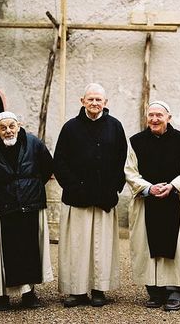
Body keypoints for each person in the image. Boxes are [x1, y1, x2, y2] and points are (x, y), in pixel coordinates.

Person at [53, 83, 127, 307]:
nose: (95, 103)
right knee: (77, 246)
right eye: (90, 99)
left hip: (104, 198)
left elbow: (122, 160)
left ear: (106, 103)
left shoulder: (115, 127)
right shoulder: (70, 128)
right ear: (82, 101)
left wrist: (113, 187)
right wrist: (75, 187)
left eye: (99, 100)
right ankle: (77, 291)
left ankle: (98, 290)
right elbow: (60, 162)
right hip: (78, 198)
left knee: (101, 247)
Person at [0, 111, 54, 311]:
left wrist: (31, 187)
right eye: (3, 127)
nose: (8, 131)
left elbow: (47, 168)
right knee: (1, 254)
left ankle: (29, 294)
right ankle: (2, 297)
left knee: (29, 251)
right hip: (3, 207)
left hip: (29, 204)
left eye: (12, 126)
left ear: (18, 126)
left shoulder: (34, 143)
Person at [125, 100, 180, 312]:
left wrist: (173, 186)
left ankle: (175, 290)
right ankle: (155, 290)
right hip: (147, 202)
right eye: (151, 115)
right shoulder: (136, 142)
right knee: (146, 245)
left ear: (169, 117)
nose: (154, 119)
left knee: (175, 246)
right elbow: (130, 171)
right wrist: (148, 188)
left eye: (159, 115)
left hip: (173, 201)